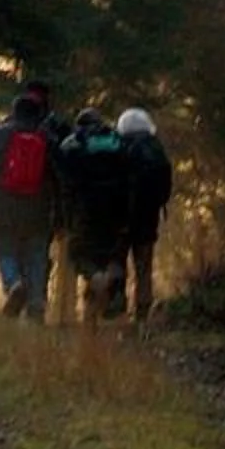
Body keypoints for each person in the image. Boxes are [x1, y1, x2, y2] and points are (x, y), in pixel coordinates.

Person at [0, 84, 60, 318]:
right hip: (38, 211)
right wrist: (61, 216)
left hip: (5, 207)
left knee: (6, 252)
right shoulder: (48, 139)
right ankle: (36, 305)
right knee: (36, 257)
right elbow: (60, 180)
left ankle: (13, 284)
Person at [53, 108, 137, 325]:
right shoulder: (118, 142)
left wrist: (64, 218)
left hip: (86, 209)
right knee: (115, 253)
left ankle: (96, 279)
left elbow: (65, 185)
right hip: (117, 210)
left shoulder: (73, 145)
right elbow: (131, 177)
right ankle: (111, 281)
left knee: (80, 253)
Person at [115, 107, 174, 322]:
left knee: (118, 261)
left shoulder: (118, 147)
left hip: (120, 218)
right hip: (148, 219)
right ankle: (142, 311)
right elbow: (165, 186)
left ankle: (118, 303)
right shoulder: (156, 149)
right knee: (143, 266)